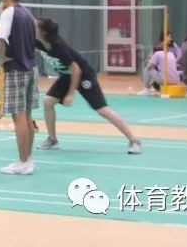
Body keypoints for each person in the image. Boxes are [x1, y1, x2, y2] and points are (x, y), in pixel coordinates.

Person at [35, 18, 141, 154]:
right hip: (67, 75)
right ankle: (52, 139)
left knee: (102, 109)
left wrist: (70, 94)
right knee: (47, 101)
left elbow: (76, 70)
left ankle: (134, 140)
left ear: (43, 32)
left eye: (35, 26)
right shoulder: (37, 42)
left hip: (83, 74)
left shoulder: (58, 47)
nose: (31, 27)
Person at [0, 0, 38, 175]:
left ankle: (23, 162)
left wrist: (2, 58)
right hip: (31, 69)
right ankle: (28, 160)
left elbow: (1, 40)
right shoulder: (28, 14)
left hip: (16, 70)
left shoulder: (8, 13)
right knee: (27, 116)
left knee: (18, 117)